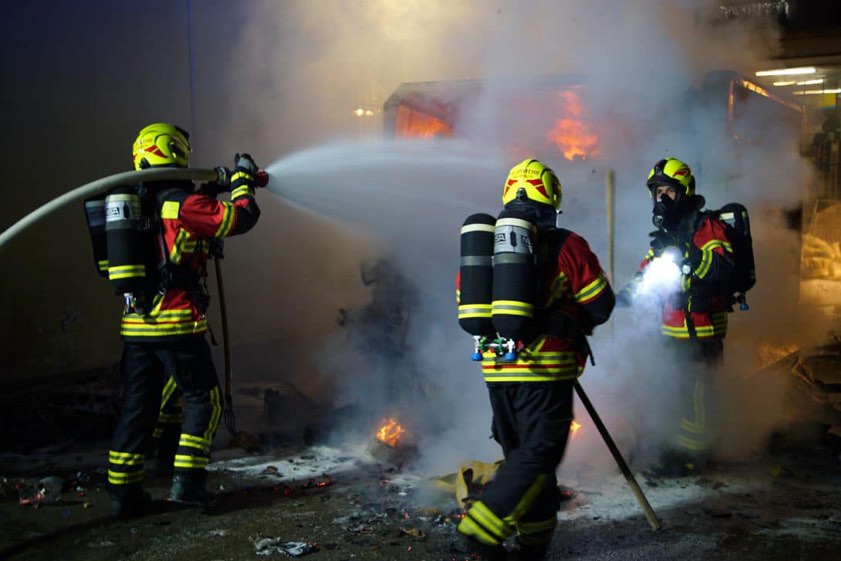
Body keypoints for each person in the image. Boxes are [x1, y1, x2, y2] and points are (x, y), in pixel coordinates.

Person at [455, 158, 615, 561]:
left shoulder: (486, 247)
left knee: (526, 459)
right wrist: (567, 320)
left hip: (496, 371)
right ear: (552, 201)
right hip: (544, 371)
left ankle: (533, 544)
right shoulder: (566, 244)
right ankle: (481, 528)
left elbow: (465, 298)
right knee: (538, 455)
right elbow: (600, 304)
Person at [106, 122, 262, 518]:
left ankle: (123, 493)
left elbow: (185, 224)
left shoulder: (141, 203)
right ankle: (189, 484)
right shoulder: (182, 204)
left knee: (139, 406)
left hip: (136, 326)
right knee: (204, 400)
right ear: (172, 151)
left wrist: (212, 188)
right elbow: (241, 218)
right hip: (175, 323)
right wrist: (242, 182)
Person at [616, 157, 733, 474]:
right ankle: (675, 448)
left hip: (702, 330)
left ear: (685, 191)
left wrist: (689, 253)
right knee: (674, 392)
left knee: (697, 397)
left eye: (668, 191)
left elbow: (721, 268)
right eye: (658, 193)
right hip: (673, 330)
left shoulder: (707, 227)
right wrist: (623, 297)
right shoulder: (665, 234)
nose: (662, 198)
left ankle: (696, 456)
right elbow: (648, 274)